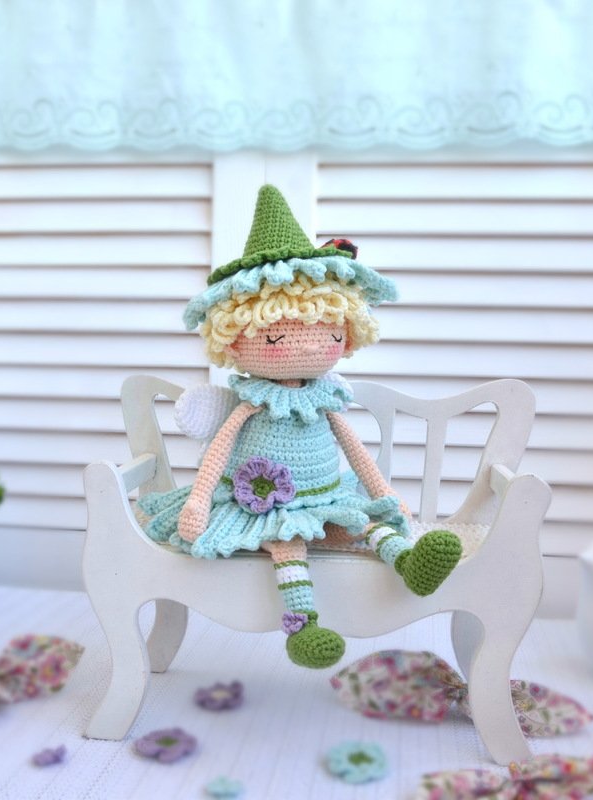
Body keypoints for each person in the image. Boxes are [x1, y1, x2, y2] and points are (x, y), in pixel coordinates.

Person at [140, 185, 462, 669]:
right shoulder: (250, 403)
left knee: (362, 522)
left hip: (326, 495)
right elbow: (220, 450)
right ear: (233, 338)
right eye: (275, 337)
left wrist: (383, 491)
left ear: (348, 333)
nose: (311, 346)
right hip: (264, 505)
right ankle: (302, 627)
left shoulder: (326, 398)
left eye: (330, 333)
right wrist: (200, 500)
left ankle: (411, 561)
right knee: (286, 547)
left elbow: (353, 448)